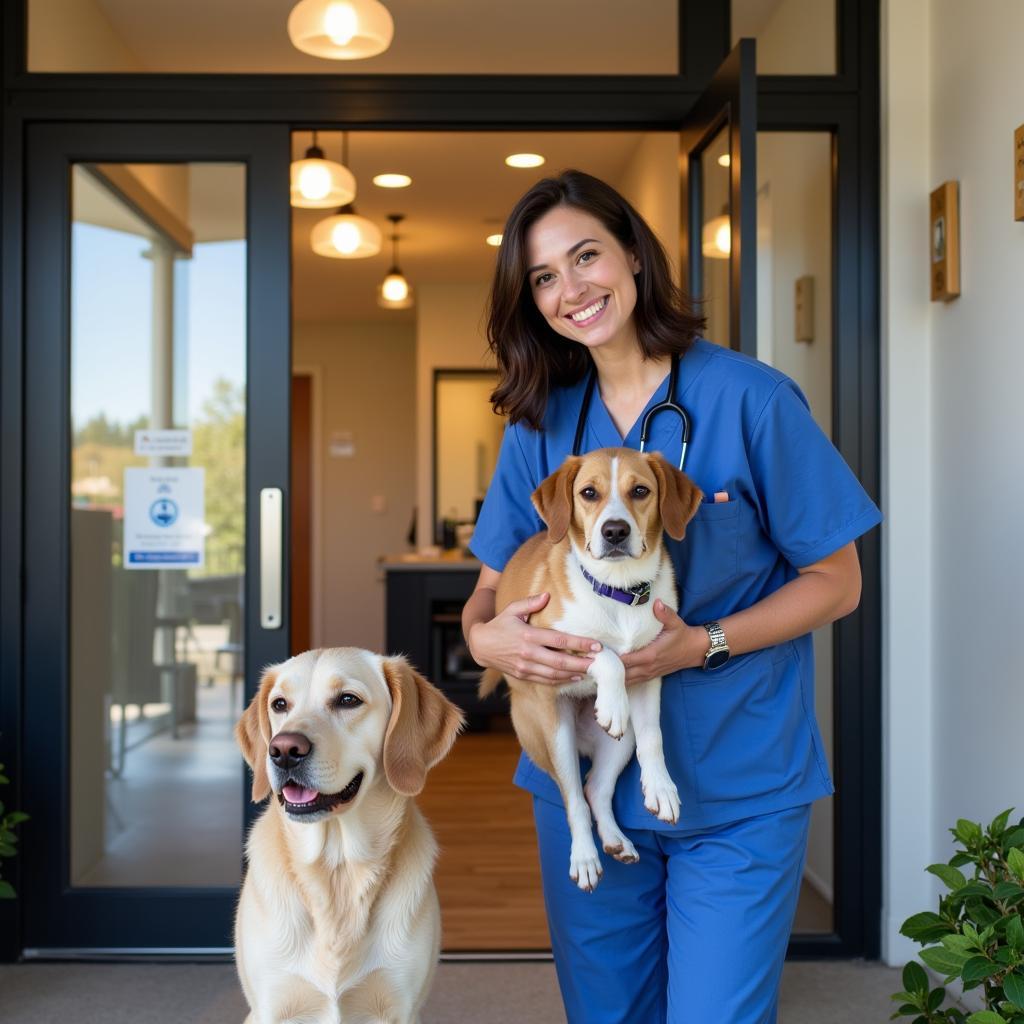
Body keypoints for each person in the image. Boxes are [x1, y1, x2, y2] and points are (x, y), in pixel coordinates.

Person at [461, 169, 881, 1024]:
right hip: (584, 777)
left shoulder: (751, 399)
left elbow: (838, 583)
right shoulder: (542, 423)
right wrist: (484, 643)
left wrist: (703, 643)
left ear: (636, 260)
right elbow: (488, 598)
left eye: (587, 257)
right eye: (544, 276)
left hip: (738, 778)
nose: (571, 289)